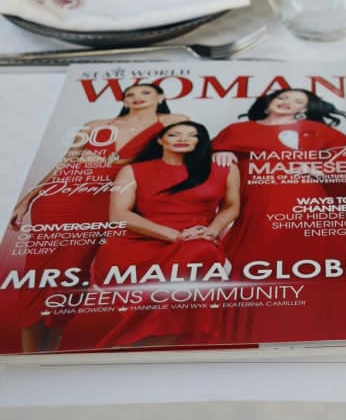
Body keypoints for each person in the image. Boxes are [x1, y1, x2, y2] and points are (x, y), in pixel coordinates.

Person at [6, 82, 190, 354]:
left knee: (73, 271)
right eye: (130, 94)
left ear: (160, 97)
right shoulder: (95, 125)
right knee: (38, 273)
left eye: (145, 93)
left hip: (106, 199)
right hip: (60, 199)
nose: (137, 97)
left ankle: (51, 345)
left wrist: (115, 163)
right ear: (124, 101)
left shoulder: (173, 121)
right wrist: (27, 199)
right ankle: (31, 352)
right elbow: (65, 164)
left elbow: (170, 155)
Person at [212, 88, 346, 345]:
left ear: (304, 110)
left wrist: (321, 168)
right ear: (268, 103)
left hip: (304, 203)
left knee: (308, 263)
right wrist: (218, 152)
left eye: (298, 101)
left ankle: (309, 332)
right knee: (255, 263)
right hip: (256, 205)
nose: (287, 103)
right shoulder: (236, 131)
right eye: (282, 97)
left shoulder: (315, 130)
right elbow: (200, 160)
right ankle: (252, 334)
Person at [90, 122, 239, 350]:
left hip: (197, 240)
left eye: (192, 135)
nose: (183, 138)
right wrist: (175, 236)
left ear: (200, 141)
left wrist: (211, 232)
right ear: (160, 140)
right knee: (198, 253)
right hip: (137, 243)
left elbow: (231, 207)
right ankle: (143, 341)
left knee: (201, 250)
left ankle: (140, 340)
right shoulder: (133, 170)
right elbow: (119, 215)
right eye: (174, 134)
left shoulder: (223, 168)